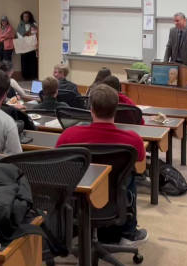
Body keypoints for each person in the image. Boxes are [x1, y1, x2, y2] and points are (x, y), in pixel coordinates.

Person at [55, 84, 149, 246]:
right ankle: (128, 232)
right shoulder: (133, 139)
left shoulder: (68, 136)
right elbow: (141, 163)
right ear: (116, 109)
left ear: (91, 109)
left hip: (77, 202)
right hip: (114, 203)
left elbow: (59, 163)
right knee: (130, 174)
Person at [16, 10, 38, 80]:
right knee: (24, 61)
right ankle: (25, 76)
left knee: (32, 60)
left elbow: (35, 34)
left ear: (30, 17)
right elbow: (18, 34)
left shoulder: (34, 24)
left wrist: (30, 37)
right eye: (24, 16)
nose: (26, 18)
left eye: (27, 16)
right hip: (23, 45)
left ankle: (33, 75)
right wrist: (24, 38)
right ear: (22, 17)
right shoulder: (20, 25)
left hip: (32, 44)